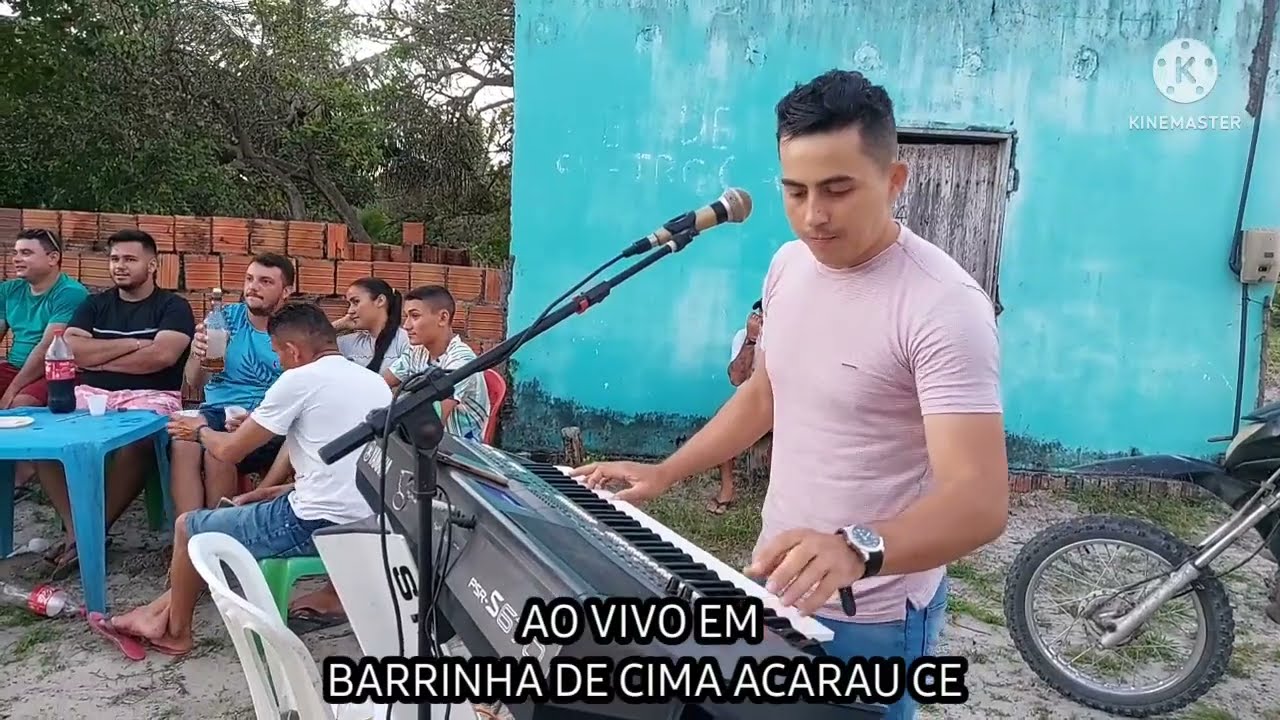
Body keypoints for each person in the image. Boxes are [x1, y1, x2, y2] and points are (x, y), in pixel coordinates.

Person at [572, 69, 1007, 720]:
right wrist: (665, 472)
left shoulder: (944, 307)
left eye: (838, 190)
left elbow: (979, 502)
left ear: (894, 182)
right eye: (795, 191)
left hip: (872, 613)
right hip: (774, 583)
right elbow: (766, 395)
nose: (814, 217)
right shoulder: (788, 266)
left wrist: (857, 547)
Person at [108, 301, 390, 656]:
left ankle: (175, 632)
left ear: (293, 350)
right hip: (365, 518)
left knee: (187, 527)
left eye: (278, 355)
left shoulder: (299, 379)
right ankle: (155, 611)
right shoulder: (374, 381)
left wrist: (199, 431)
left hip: (314, 523)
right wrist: (275, 489)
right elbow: (339, 464)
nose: (279, 363)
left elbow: (228, 452)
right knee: (238, 507)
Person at [37, 229, 196, 577]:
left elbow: (163, 357)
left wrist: (97, 357)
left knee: (139, 442)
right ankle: (78, 531)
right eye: (114, 259)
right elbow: (72, 348)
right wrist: (138, 345)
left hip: (152, 397)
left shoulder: (173, 307)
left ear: (152, 265)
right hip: (91, 395)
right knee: (44, 442)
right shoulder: (95, 304)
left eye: (129, 259)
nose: (119, 266)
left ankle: (90, 531)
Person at [265, 277, 409, 634]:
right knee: (301, 429)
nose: (351, 309)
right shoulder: (350, 339)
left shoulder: (402, 345)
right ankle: (270, 491)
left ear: (381, 302)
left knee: (301, 431)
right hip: (347, 435)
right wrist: (342, 324)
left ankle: (337, 589)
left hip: (371, 435)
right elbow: (319, 343)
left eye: (356, 302)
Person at [172, 253, 294, 516]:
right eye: (250, 279)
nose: (253, 287)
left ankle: (222, 534)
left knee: (219, 452)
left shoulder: (292, 330)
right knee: (183, 442)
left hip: (264, 417)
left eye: (265, 282)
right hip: (217, 408)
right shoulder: (224, 318)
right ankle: (189, 535)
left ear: (286, 291)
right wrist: (197, 353)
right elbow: (194, 381)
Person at [0, 228, 90, 495]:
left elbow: (47, 350)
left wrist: (12, 390)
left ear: (53, 258)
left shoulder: (70, 293)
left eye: (26, 253)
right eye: (15, 253)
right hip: (16, 365)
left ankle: (22, 471)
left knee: (20, 404)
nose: (16, 258)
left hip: (59, 371)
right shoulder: (9, 290)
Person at [384, 285, 491, 442]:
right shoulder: (417, 351)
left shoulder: (460, 361)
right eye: (406, 316)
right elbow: (380, 383)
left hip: (458, 452)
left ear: (442, 318)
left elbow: (431, 424)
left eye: (415, 316)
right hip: (426, 443)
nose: (406, 325)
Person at [708, 298, 764, 515]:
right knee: (722, 420)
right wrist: (751, 340)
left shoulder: (789, 336)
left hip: (784, 406)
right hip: (752, 404)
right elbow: (736, 379)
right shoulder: (742, 336)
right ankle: (727, 489)